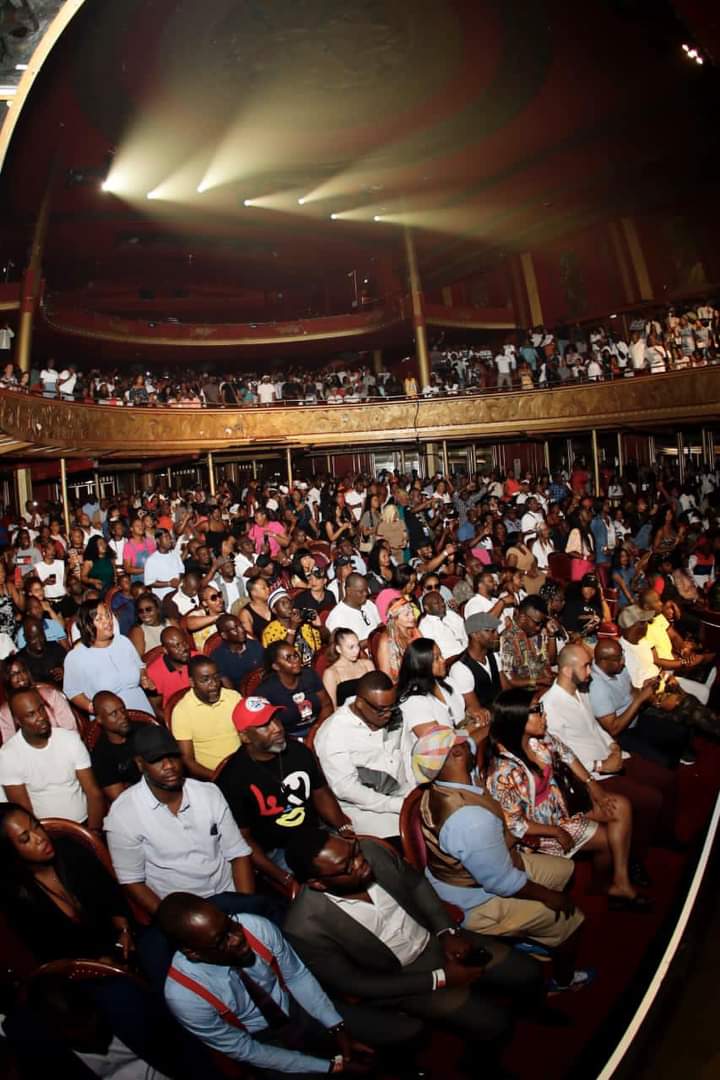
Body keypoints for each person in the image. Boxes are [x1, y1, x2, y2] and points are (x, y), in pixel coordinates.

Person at [283, 828, 546, 1071]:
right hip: (401, 979)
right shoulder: (304, 928)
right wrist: (441, 978)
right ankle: (479, 1063)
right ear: (317, 884)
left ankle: (528, 1010)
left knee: (527, 972)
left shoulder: (372, 851)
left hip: (435, 939)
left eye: (355, 852)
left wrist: (446, 932)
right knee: (494, 1023)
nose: (361, 862)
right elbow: (355, 983)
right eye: (347, 866)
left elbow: (417, 885)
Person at [414, 727, 589, 992]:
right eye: (464, 741)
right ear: (458, 753)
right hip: (476, 899)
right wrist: (547, 896)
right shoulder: (469, 819)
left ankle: (533, 934)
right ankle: (563, 981)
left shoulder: (444, 785)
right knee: (571, 919)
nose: (472, 743)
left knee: (565, 869)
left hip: (481, 868)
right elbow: (501, 882)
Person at [158, 892, 366, 1076]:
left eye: (230, 924)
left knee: (386, 1034)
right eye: (222, 940)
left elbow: (296, 976)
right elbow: (245, 1049)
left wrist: (335, 1025)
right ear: (193, 953)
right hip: (260, 1040)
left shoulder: (255, 928)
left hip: (296, 1005)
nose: (238, 938)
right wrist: (326, 1067)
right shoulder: (185, 996)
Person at [487, 689, 650, 910]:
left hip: (560, 804)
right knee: (606, 840)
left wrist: (593, 786)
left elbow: (567, 755)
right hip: (539, 829)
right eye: (536, 710)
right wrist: (555, 831)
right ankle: (601, 885)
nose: (544, 714)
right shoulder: (503, 771)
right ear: (516, 718)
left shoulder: (539, 738)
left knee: (620, 805)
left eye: (541, 708)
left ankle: (620, 881)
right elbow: (515, 824)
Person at [543, 644, 677, 878]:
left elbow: (595, 727)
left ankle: (662, 836)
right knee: (649, 799)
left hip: (611, 755)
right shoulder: (550, 706)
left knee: (666, 778)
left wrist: (613, 746)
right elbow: (559, 756)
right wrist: (601, 766)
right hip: (593, 774)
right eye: (586, 667)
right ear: (566, 670)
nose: (590, 673)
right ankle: (634, 860)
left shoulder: (581, 690)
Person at [104, 726, 254, 919]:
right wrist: (177, 926)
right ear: (140, 764)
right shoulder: (123, 814)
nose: (168, 766)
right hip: (182, 914)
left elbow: (238, 853)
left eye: (172, 756)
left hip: (229, 897)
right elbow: (132, 881)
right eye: (156, 760)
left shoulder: (208, 793)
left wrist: (247, 909)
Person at [216, 696, 354, 891]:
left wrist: (343, 827)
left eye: (276, 719)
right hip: (277, 851)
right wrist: (283, 877)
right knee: (324, 886)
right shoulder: (233, 778)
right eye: (264, 725)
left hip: (315, 833)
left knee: (356, 861)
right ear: (245, 736)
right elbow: (243, 839)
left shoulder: (298, 752)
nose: (277, 728)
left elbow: (321, 793)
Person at [0, 803, 134, 963]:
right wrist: (96, 963)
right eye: (25, 839)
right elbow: (45, 951)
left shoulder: (69, 850)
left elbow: (111, 894)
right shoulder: (16, 894)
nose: (39, 838)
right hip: (76, 969)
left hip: (122, 944)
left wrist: (124, 930)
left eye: (36, 826)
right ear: (9, 851)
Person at [314, 671, 411, 839]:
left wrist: (416, 792)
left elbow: (407, 753)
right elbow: (347, 789)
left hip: (404, 794)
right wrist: (396, 805)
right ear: (359, 703)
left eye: (392, 707)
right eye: (381, 710)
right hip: (365, 809)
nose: (388, 714)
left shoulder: (392, 713)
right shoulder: (333, 733)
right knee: (407, 839)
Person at [0, 688, 104, 830]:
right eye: (31, 714)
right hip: (47, 832)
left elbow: (93, 793)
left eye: (41, 709)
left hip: (86, 824)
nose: (41, 716)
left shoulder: (69, 739)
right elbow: (24, 813)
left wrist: (94, 834)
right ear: (18, 721)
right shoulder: (8, 755)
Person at [589, 638, 693, 769]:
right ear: (603, 662)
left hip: (636, 718)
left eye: (622, 656)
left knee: (681, 732)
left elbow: (632, 692)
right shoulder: (596, 688)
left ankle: (678, 758)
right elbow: (613, 729)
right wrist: (640, 700)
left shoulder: (618, 668)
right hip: (621, 734)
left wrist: (643, 690)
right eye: (617, 659)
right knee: (666, 761)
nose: (623, 662)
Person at [63, 599, 153, 714]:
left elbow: (140, 666)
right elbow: (72, 692)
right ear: (87, 625)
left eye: (108, 616)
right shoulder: (75, 657)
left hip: (141, 706)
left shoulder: (123, 642)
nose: (107, 621)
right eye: (99, 619)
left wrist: (144, 677)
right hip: (111, 717)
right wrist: (92, 708)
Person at [396, 638, 467, 781]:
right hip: (437, 770)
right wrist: (470, 730)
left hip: (461, 755)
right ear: (422, 665)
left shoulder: (448, 683)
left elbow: (463, 717)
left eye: (441, 655)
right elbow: (439, 745)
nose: (443, 660)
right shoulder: (413, 702)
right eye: (437, 658)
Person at [171, 655, 241, 779]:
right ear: (192, 682)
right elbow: (187, 760)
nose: (213, 684)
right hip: (212, 776)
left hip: (243, 766)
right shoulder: (182, 711)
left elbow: (250, 736)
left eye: (216, 677)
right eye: (205, 680)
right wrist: (219, 778)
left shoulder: (233, 697)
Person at [258, 641, 332, 740]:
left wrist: (318, 727)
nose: (295, 660)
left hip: (319, 728)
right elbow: (266, 727)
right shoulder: (267, 690)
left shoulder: (309, 675)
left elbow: (326, 704)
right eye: (288, 658)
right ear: (276, 666)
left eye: (295, 655)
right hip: (290, 736)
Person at [0, 654, 77, 745]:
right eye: (13, 674)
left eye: (22, 671)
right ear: (7, 679)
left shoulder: (51, 695)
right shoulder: (5, 712)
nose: (20, 677)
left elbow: (71, 729)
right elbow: (9, 745)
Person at [90, 690, 149, 802]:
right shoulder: (101, 755)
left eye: (123, 709)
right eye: (114, 714)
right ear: (100, 719)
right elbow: (121, 800)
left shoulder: (145, 731)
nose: (122, 716)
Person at [262, 585, 322, 667]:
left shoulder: (302, 621)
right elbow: (281, 657)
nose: (288, 605)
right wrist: (293, 628)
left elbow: (323, 640)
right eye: (283, 603)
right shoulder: (269, 631)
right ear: (274, 610)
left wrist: (319, 626)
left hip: (314, 665)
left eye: (289, 602)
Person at [146, 625, 198, 708]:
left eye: (184, 643)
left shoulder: (199, 660)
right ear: (165, 650)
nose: (184, 648)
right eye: (177, 646)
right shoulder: (154, 672)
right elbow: (156, 708)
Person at [322, 628, 375, 708]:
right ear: (338, 649)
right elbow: (333, 708)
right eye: (351, 647)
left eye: (357, 646)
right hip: (346, 717)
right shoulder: (331, 673)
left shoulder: (367, 664)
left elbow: (376, 695)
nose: (356, 651)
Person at [324, 574, 380, 645]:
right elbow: (344, 648)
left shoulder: (368, 604)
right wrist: (371, 639)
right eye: (361, 592)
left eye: (366, 590)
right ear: (348, 591)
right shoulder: (337, 616)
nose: (366, 593)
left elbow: (380, 624)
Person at [212, 613, 264, 689]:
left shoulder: (255, 646)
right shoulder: (218, 657)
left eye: (241, 625)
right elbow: (229, 689)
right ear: (224, 635)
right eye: (235, 629)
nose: (242, 630)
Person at [375, 597, 421, 683]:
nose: (412, 617)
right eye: (407, 614)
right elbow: (386, 678)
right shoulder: (386, 641)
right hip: (400, 686)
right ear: (395, 619)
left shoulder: (415, 631)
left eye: (412, 612)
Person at [16, 615, 67, 686]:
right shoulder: (20, 659)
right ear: (25, 638)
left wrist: (64, 671)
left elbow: (70, 665)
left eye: (40, 635)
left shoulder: (54, 647)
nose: (38, 640)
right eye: (33, 638)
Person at [418, 589, 468, 659]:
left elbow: (466, 632)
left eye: (442, 601)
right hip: (451, 661)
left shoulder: (451, 614)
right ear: (427, 608)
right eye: (436, 603)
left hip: (468, 653)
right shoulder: (425, 626)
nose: (442, 604)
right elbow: (435, 655)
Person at [129, 591, 175, 657]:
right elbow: (137, 661)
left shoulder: (171, 623)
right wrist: (158, 651)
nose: (144, 614)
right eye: (140, 611)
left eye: (148, 609)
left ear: (157, 608)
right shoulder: (138, 631)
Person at [143, 528, 185, 601]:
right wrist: (169, 583)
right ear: (158, 541)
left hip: (178, 596)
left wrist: (179, 580)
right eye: (166, 537)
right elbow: (149, 582)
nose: (169, 540)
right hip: (163, 598)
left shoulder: (175, 554)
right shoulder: (151, 560)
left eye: (170, 537)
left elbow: (181, 571)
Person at [186, 583, 226, 652]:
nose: (219, 600)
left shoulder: (225, 615)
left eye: (219, 595)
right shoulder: (200, 614)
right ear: (205, 603)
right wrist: (217, 617)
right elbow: (190, 624)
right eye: (213, 598)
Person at [238, 575, 272, 641]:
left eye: (268, 586)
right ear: (254, 593)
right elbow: (250, 638)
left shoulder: (273, 604)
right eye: (264, 588)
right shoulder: (245, 613)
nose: (268, 589)